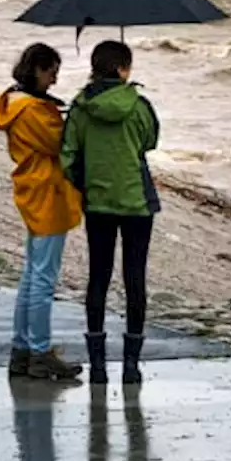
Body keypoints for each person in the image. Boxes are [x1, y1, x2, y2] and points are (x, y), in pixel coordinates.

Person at [61, 40, 160, 386]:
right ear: (122, 70)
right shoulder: (139, 105)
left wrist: (87, 186)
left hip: (98, 203)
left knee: (98, 277)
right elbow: (150, 141)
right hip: (136, 203)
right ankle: (131, 365)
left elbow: (68, 155)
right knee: (135, 277)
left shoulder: (80, 107)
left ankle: (98, 365)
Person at [0, 43, 84, 381]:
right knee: (43, 278)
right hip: (49, 193)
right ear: (36, 70)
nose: (55, 80)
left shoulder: (15, 104)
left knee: (32, 275)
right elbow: (63, 144)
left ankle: (23, 349)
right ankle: (40, 352)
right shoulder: (34, 111)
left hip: (33, 190)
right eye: (51, 72)